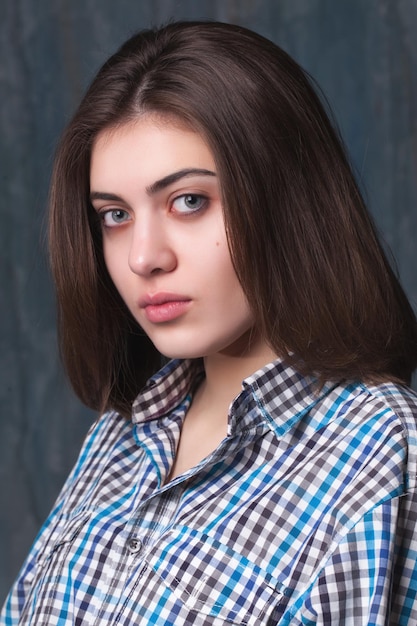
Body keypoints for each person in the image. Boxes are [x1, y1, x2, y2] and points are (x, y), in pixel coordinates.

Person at [2, 20, 417, 626]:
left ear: (287, 200)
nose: (144, 256)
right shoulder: (123, 432)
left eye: (189, 201)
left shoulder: (377, 450)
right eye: (115, 215)